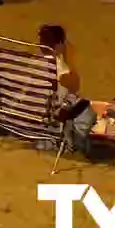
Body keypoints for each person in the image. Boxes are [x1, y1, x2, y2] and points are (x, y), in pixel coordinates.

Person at [38, 24, 96, 154]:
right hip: (52, 124)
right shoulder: (62, 71)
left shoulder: (32, 64)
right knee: (87, 111)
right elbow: (75, 88)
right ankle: (74, 146)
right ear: (59, 45)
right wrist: (69, 59)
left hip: (31, 121)